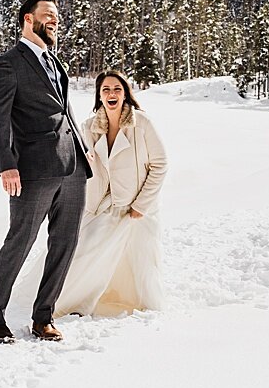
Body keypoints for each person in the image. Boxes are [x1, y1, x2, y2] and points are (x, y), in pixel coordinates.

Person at [0, 0, 92, 343]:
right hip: (33, 169)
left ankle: (43, 317)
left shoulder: (55, 62)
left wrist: (83, 152)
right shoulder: (8, 64)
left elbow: (64, 112)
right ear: (29, 19)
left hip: (72, 167)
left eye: (57, 17)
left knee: (65, 243)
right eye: (49, 16)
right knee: (20, 241)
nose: (55, 22)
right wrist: (6, 166)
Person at [15, 71, 168, 316]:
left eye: (117, 89)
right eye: (106, 89)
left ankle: (123, 301)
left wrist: (142, 204)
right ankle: (64, 301)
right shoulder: (89, 127)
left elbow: (160, 165)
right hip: (100, 203)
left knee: (137, 263)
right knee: (85, 248)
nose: (111, 94)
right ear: (99, 95)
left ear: (126, 93)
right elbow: (76, 163)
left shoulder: (142, 124)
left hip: (135, 204)